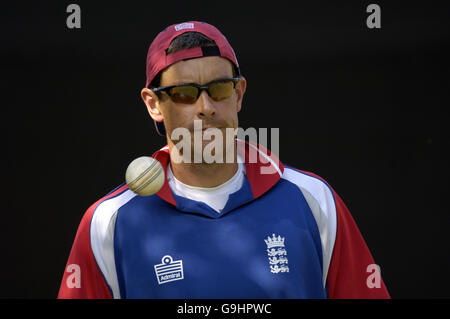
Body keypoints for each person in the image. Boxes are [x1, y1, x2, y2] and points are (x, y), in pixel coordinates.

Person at [58, 21, 390, 299]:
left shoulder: (313, 200)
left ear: (239, 94)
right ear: (153, 105)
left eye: (218, 89)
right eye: (185, 93)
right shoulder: (108, 222)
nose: (206, 107)